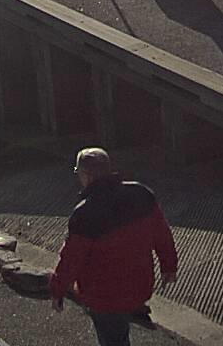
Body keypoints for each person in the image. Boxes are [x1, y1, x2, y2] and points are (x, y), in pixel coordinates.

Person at [49, 147, 178, 346]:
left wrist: (57, 290)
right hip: (139, 283)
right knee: (120, 330)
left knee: (113, 338)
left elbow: (71, 260)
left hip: (104, 296)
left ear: (87, 176)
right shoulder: (141, 193)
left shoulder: (85, 213)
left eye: (78, 172)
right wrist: (169, 266)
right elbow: (162, 235)